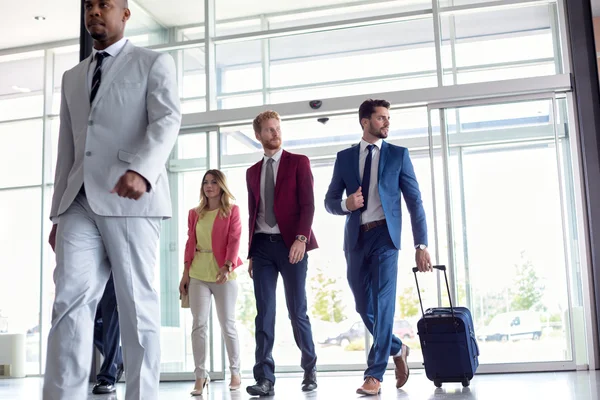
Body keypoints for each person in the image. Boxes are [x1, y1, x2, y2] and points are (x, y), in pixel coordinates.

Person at [43, 0, 181, 398]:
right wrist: (57, 214)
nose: (95, 11)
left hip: (130, 197)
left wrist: (142, 170)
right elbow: (66, 150)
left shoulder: (153, 63)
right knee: (69, 303)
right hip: (78, 203)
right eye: (89, 5)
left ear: (125, 14)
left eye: (105, 5)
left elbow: (167, 119)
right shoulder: (72, 77)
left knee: (136, 305)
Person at [324, 99, 432, 395]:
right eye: (381, 118)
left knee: (384, 304)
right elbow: (329, 201)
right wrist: (346, 204)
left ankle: (374, 374)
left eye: (388, 118)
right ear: (365, 122)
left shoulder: (398, 155)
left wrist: (421, 244)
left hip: (386, 238)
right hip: (357, 237)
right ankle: (398, 349)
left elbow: (415, 202)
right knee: (363, 305)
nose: (386, 122)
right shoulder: (345, 158)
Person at [245, 110, 318, 397]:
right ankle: (264, 378)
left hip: (292, 245)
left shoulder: (298, 163)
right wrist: (251, 254)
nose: (275, 133)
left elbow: (308, 205)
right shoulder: (252, 172)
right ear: (258, 135)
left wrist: (301, 238)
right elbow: (254, 214)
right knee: (264, 314)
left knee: (296, 310)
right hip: (262, 247)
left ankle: (310, 368)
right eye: (269, 130)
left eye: (277, 128)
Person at [179, 169, 243, 396]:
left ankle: (235, 372)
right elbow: (190, 243)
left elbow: (235, 239)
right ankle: (200, 376)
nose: (209, 186)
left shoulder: (232, 211)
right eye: (205, 182)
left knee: (227, 324)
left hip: (223, 274)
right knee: (199, 325)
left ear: (221, 186)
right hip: (198, 273)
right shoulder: (194, 213)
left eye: (214, 182)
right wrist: (185, 273)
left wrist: (227, 266)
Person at [92, 274, 124, 394]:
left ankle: (108, 377)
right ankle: (119, 357)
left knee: (110, 326)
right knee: (85, 321)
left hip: (113, 272)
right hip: (92, 273)